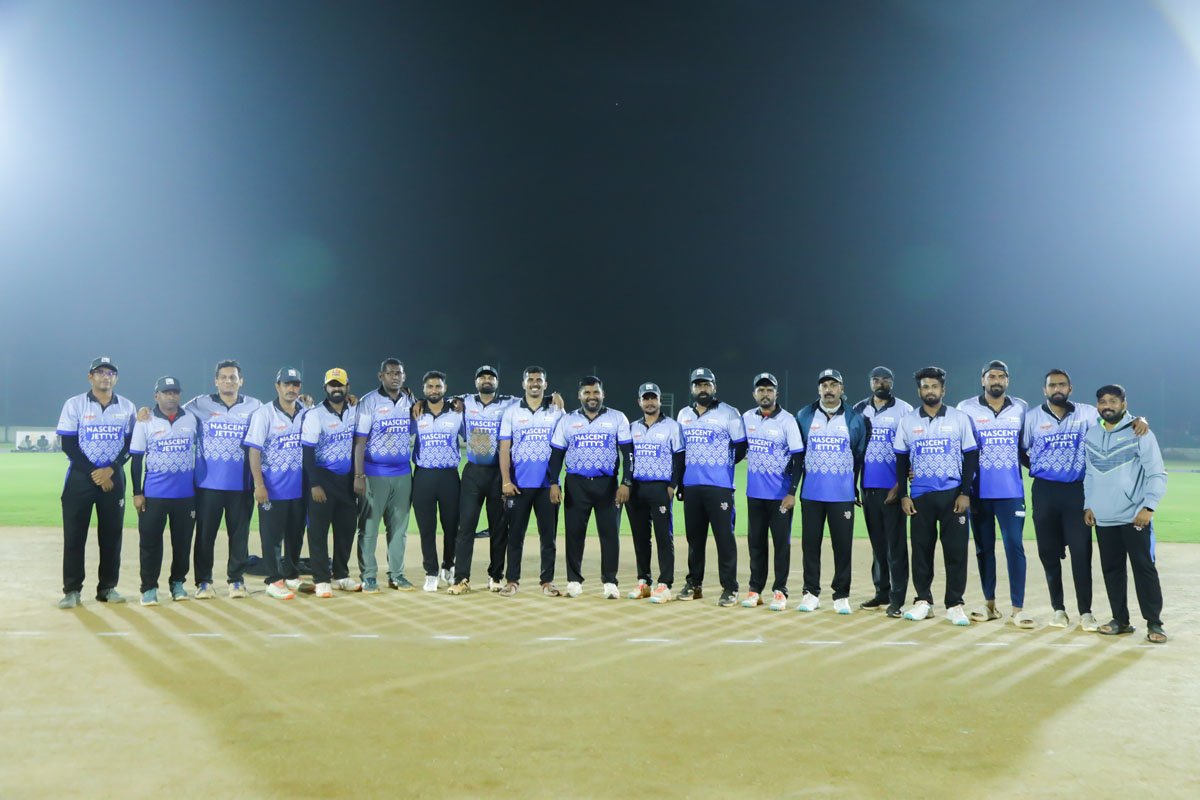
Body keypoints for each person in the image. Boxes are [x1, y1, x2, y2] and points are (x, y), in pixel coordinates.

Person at [1023, 369, 1147, 630]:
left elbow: (1114, 419)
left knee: (1081, 553)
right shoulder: (1032, 417)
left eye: (1062, 384)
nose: (1057, 389)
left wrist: (1139, 419)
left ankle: (1086, 612)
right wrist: (1038, 467)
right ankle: (1058, 609)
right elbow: (1021, 449)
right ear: (1044, 390)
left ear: (1070, 388)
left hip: (1077, 491)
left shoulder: (1088, 413)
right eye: (1052, 385)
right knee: (1048, 553)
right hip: (1044, 490)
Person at [1083, 385, 1168, 643]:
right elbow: (1090, 473)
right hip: (1104, 517)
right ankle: (1120, 620)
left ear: (1123, 404)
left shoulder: (1140, 431)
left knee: (1144, 569)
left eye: (1113, 401)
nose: (1107, 405)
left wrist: (1149, 506)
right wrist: (1089, 504)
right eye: (1102, 401)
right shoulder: (1092, 434)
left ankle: (1154, 623)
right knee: (1112, 570)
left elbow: (1157, 473)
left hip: (1135, 516)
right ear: (1097, 406)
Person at [894, 367, 979, 626]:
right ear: (919, 391)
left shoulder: (959, 418)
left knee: (956, 552)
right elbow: (901, 459)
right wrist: (904, 495)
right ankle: (923, 601)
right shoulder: (908, 420)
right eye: (925, 386)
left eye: (934, 386)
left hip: (953, 495)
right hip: (920, 496)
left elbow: (971, 456)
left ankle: (955, 604)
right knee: (921, 551)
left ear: (943, 389)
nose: (929, 390)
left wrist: (965, 493)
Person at [55, 356, 136, 608]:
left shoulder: (127, 406)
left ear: (116, 378)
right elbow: (68, 444)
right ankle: (72, 590)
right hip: (80, 477)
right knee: (74, 536)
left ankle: (107, 588)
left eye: (110, 373)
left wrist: (111, 469)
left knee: (111, 536)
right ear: (90, 376)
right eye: (100, 372)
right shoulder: (75, 404)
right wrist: (95, 472)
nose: (105, 377)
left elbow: (131, 444)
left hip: (114, 477)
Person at [957, 361, 1032, 627]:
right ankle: (989, 605)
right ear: (983, 380)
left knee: (1014, 546)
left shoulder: (1021, 407)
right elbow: (958, 448)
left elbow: (1026, 447)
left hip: (1011, 492)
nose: (996, 380)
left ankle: (1017, 609)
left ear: (1007, 380)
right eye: (991, 376)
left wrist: (1042, 469)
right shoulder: (965, 408)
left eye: (1001, 376)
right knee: (984, 549)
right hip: (978, 492)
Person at [547, 376, 633, 599]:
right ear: (580, 396)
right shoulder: (567, 420)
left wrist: (626, 482)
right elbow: (556, 455)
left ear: (603, 394)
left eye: (596, 392)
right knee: (574, 534)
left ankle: (610, 582)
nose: (592, 396)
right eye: (587, 392)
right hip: (576, 484)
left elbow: (628, 454)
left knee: (610, 534)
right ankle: (574, 581)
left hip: (607, 485)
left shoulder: (617, 418)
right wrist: (554, 482)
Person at [183, 360, 262, 599]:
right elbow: (171, 412)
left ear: (241, 381)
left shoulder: (255, 406)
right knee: (205, 536)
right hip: (208, 485)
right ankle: (203, 582)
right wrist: (146, 413)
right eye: (224, 377)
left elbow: (278, 417)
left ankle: (236, 581)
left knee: (239, 535)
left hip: (242, 484)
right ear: (216, 381)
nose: (228, 381)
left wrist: (304, 405)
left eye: (233, 377)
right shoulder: (199, 404)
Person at [794, 369, 868, 614]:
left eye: (833, 385)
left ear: (841, 389)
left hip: (842, 495)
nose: (829, 389)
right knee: (810, 546)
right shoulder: (805, 415)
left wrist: (852, 485)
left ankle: (841, 595)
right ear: (819, 389)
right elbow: (798, 452)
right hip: (812, 494)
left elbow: (859, 454)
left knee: (842, 546)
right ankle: (810, 593)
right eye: (824, 385)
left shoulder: (854, 418)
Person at [676, 367, 747, 607]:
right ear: (692, 388)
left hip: (720, 486)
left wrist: (723, 465)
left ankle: (730, 587)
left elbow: (741, 446)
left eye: (706, 384)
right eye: (698, 385)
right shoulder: (684, 414)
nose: (702, 389)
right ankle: (694, 584)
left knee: (724, 539)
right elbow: (681, 451)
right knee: (694, 540)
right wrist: (681, 482)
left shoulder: (729, 413)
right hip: (692, 486)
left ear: (714, 387)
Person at [491, 366, 565, 597]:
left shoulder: (556, 410)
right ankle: (512, 581)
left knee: (548, 538)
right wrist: (506, 481)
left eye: (539, 380)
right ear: (524, 384)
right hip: (518, 485)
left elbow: (563, 446)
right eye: (530, 379)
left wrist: (556, 482)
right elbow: (504, 448)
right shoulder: (512, 412)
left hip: (548, 485)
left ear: (545, 384)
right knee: (515, 536)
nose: (534, 383)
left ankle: (547, 581)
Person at [130, 376, 199, 605]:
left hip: (185, 495)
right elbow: (137, 459)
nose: (172, 396)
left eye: (175, 392)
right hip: (154, 494)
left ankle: (177, 583)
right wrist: (137, 493)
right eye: (166, 392)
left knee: (183, 543)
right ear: (156, 396)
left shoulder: (191, 418)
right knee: (150, 544)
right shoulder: (145, 420)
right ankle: (149, 587)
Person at [853, 366, 913, 618]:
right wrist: (853, 484)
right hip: (868, 487)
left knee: (895, 547)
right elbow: (854, 448)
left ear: (892, 382)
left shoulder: (905, 410)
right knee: (878, 545)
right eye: (876, 380)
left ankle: (897, 599)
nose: (881, 383)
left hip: (893, 489)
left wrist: (900, 486)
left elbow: (912, 448)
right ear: (870, 383)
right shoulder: (858, 409)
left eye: (885, 379)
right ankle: (882, 592)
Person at [741, 373, 804, 611]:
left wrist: (792, 492)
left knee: (781, 545)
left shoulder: (787, 421)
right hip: (755, 494)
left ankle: (780, 591)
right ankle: (755, 590)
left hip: (780, 496)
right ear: (754, 394)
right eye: (761, 390)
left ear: (776, 393)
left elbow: (798, 458)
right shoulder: (747, 418)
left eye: (769, 390)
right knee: (756, 544)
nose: (765, 394)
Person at [244, 367, 308, 600]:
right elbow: (254, 451)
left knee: (295, 534)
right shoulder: (264, 414)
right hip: (273, 489)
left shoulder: (306, 412)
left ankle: (291, 574)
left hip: (298, 488)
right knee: (272, 538)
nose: (291, 388)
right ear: (277, 386)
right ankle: (273, 580)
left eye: (295, 384)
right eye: (286, 384)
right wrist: (259, 485)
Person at [353, 358, 415, 592]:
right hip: (374, 473)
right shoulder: (369, 402)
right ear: (381, 376)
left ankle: (396, 575)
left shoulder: (410, 401)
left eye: (398, 373)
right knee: (369, 528)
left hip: (403, 473)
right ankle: (368, 576)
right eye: (390, 373)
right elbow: (360, 442)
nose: (395, 377)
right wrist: (359, 475)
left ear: (404, 376)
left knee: (399, 529)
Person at [301, 368, 361, 598]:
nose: (336, 389)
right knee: (318, 531)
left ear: (347, 387)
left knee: (346, 529)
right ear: (325, 387)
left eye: (340, 385)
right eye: (332, 385)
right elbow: (308, 452)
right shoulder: (315, 414)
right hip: (322, 478)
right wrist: (314, 484)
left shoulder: (354, 410)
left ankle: (341, 575)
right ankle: (321, 578)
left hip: (346, 480)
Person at [625, 382, 684, 603]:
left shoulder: (672, 426)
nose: (649, 402)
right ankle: (644, 582)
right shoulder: (632, 427)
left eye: (653, 398)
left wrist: (672, 486)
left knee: (663, 536)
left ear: (659, 400)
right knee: (640, 538)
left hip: (660, 487)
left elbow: (679, 458)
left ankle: (665, 584)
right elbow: (627, 458)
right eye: (646, 398)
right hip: (637, 489)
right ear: (639, 401)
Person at [410, 371, 464, 592]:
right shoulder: (415, 413)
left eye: (438, 386)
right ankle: (431, 572)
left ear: (445, 388)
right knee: (426, 528)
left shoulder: (457, 413)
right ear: (424, 389)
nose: (434, 390)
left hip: (449, 476)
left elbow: (472, 435)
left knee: (451, 527)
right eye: (430, 387)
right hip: (423, 475)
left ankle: (448, 565)